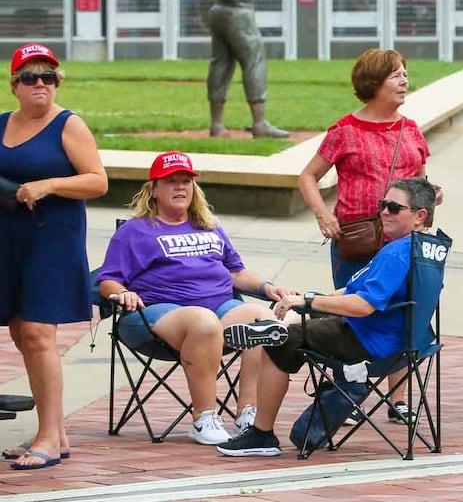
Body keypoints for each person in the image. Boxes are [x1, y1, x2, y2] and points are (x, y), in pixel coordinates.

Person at [216, 178, 439, 457]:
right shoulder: (430, 247)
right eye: (383, 204)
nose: (383, 212)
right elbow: (358, 289)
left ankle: (261, 434)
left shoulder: (397, 251)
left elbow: (363, 305)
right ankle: (284, 323)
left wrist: (309, 301)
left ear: (420, 215)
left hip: (370, 342)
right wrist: (312, 300)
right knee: (301, 318)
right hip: (408, 341)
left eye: (394, 208)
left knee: (280, 343)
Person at [96, 151, 293, 446]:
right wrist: (122, 293)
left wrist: (267, 287)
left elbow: (236, 273)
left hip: (220, 304)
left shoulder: (209, 225)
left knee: (263, 322)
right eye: (171, 181)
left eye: (186, 181)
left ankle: (248, 413)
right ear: (154, 189)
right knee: (204, 322)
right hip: (158, 312)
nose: (180, 187)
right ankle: (204, 418)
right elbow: (108, 279)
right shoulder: (135, 231)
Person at [0, 44, 107, 472]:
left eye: (49, 76)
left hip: (53, 242)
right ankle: (55, 431)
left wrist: (50, 185)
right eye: (30, 77)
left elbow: (97, 181)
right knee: (21, 331)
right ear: (15, 86)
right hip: (9, 242)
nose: (41, 84)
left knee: (41, 333)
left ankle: (47, 436)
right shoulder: (3, 125)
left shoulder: (68, 124)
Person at [298, 49, 431, 287]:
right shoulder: (344, 130)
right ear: (374, 83)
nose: (404, 82)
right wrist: (324, 215)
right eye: (395, 76)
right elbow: (308, 176)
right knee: (351, 312)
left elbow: (421, 182)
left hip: (404, 243)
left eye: (405, 75)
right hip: (358, 241)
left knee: (403, 314)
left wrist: (429, 202)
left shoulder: (411, 130)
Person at [205, 0, 289, 139]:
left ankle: (217, 125)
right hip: (238, 13)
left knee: (220, 65)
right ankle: (260, 123)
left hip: (218, 11)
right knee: (254, 62)